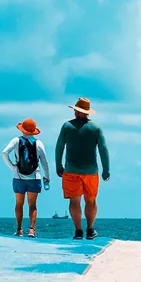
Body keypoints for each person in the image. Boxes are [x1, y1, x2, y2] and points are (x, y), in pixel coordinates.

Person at [55, 97, 109, 240]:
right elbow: (103, 149)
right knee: (91, 201)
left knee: (74, 201)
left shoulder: (67, 126)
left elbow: (59, 146)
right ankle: (90, 230)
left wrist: (58, 165)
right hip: (91, 172)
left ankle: (78, 231)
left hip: (71, 171)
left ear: (77, 111)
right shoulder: (96, 128)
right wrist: (106, 170)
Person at [2, 118, 51, 238]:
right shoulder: (38, 143)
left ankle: (19, 230)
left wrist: (13, 167)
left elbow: (4, 153)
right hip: (35, 177)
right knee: (32, 205)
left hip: (18, 177)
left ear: (22, 129)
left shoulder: (16, 140)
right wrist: (47, 177)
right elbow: (45, 162)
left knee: (19, 204)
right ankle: (32, 230)